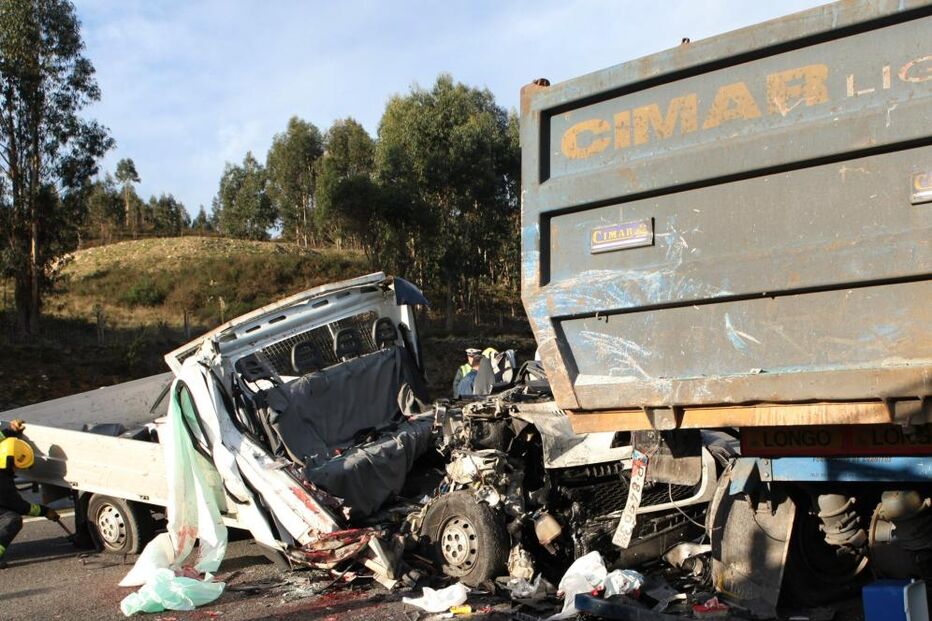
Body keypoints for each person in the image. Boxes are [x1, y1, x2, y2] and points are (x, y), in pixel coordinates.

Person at [0, 419, 59, 569]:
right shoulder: (3, 482)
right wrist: (46, 511)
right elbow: (20, 507)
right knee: (11, 519)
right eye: (16, 467)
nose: (16, 470)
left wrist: (11, 430)